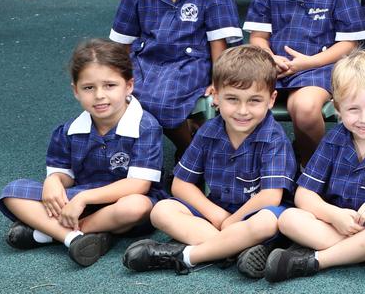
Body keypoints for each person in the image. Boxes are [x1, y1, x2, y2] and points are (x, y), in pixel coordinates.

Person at [122, 45, 296, 279]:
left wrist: (232, 221)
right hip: (217, 213)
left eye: (254, 100)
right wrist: (218, 217)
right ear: (215, 95)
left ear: (271, 99)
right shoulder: (208, 132)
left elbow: (270, 197)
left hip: (258, 215)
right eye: (232, 99)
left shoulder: (274, 138)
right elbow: (181, 185)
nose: (242, 111)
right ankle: (233, 249)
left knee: (267, 223)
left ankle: (187, 255)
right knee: (162, 210)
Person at [0, 39, 163, 267]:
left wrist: (84, 199)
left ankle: (53, 232)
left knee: (138, 206)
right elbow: (63, 175)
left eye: (110, 85)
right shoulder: (67, 130)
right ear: (76, 91)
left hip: (120, 203)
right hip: (80, 199)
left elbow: (139, 185)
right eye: (89, 88)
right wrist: (53, 182)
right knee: (12, 192)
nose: (99, 95)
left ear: (129, 86)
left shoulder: (146, 127)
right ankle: (75, 238)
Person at [263, 51, 365, 282]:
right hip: (338, 225)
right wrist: (333, 215)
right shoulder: (333, 141)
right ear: (338, 107)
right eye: (353, 109)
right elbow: (304, 194)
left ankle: (317, 261)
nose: (364, 119)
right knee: (289, 219)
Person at [110, 0, 242, 152]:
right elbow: (122, 42)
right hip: (147, 62)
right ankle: (155, 155)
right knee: (121, 97)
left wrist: (218, 80)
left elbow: (218, 44)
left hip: (191, 64)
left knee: (163, 101)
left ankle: (189, 149)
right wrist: (119, 76)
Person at [245, 0, 365, 163]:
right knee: (240, 101)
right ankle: (261, 166)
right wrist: (269, 57)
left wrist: (307, 62)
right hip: (275, 69)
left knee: (303, 107)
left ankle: (313, 166)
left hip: (321, 68)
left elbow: (349, 43)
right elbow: (258, 37)